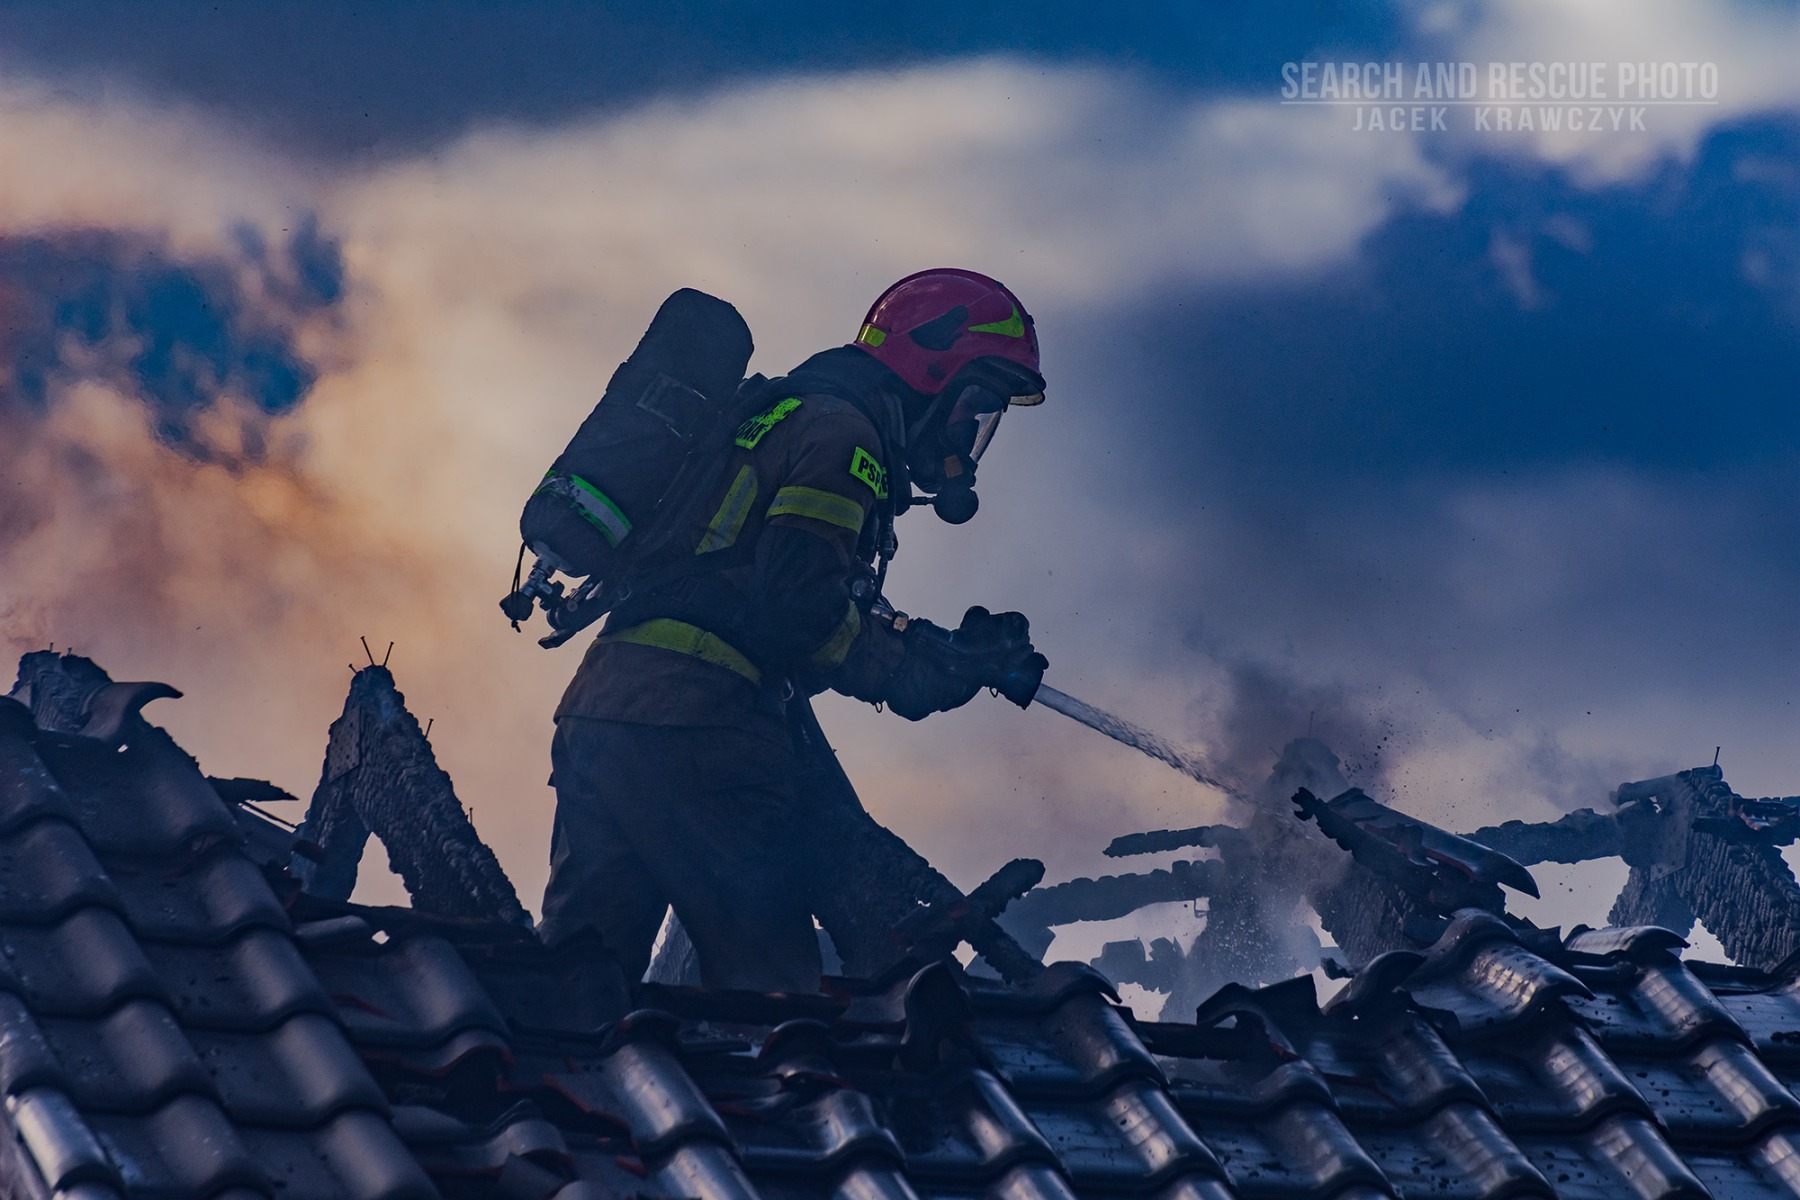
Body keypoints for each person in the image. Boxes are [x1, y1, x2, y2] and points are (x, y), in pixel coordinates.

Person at [537, 268, 1050, 991]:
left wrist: (942, 652)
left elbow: (754, 586)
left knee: (576, 989)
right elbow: (801, 612)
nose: (970, 435)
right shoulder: (846, 438)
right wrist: (914, 674)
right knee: (774, 998)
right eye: (976, 406)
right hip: (699, 727)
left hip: (602, 712)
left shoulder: (782, 412)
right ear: (931, 369)